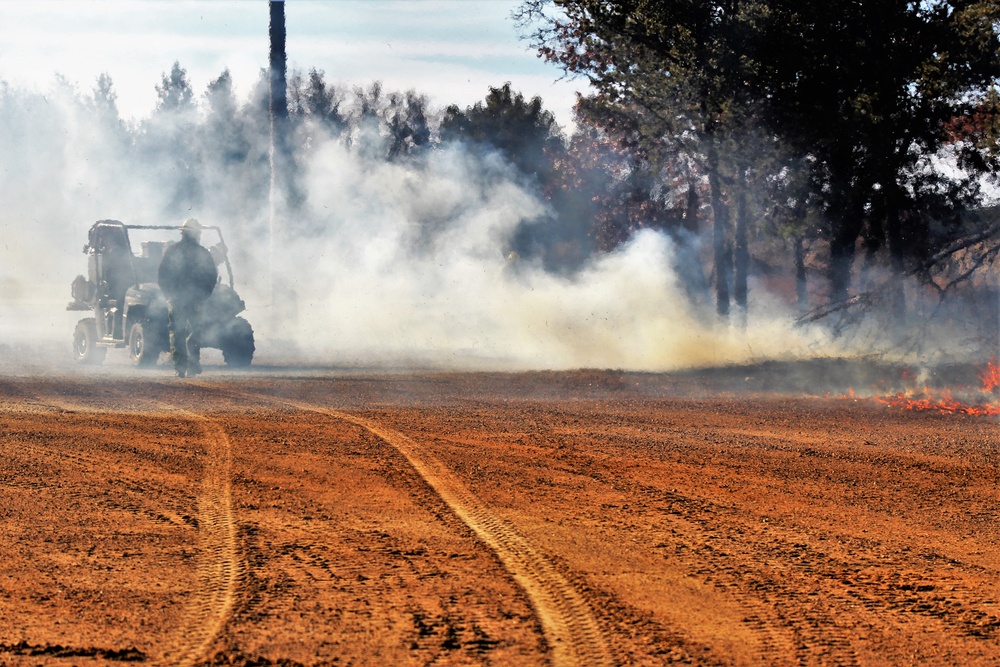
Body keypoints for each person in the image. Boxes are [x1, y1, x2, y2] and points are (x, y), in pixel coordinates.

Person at [158, 218, 218, 377]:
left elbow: (162, 275)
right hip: (196, 299)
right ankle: (192, 367)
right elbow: (211, 276)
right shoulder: (202, 252)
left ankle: (179, 368)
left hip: (176, 298)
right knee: (194, 332)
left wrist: (168, 294)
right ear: (197, 234)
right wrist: (204, 295)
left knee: (176, 332)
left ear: (182, 233)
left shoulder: (172, 250)